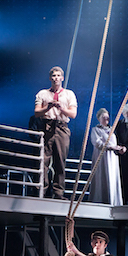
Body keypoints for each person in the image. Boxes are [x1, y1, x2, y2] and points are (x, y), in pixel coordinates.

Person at [33, 66, 77, 199]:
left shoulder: (69, 94)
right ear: (50, 78)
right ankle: (41, 191)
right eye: (53, 76)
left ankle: (58, 192)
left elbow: (73, 114)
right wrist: (49, 107)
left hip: (62, 127)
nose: (56, 78)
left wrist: (61, 109)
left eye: (58, 76)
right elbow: (36, 112)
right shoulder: (42, 93)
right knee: (43, 161)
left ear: (62, 78)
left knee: (60, 161)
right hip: (46, 127)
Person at [89, 108, 123, 206]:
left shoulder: (112, 130)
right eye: (103, 117)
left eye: (107, 117)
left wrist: (119, 148)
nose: (106, 119)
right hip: (102, 158)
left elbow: (116, 142)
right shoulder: (95, 130)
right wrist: (111, 147)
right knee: (102, 178)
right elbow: (97, 143)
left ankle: (113, 201)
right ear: (99, 118)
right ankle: (99, 200)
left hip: (112, 159)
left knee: (111, 177)